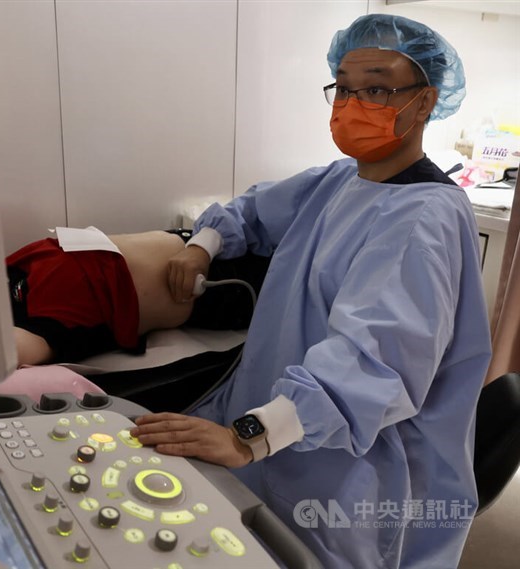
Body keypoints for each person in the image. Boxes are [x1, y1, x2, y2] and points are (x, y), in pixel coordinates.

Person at [130, 14, 491, 569]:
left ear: (424, 103)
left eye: (375, 88)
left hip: (351, 474)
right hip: (284, 427)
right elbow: (253, 210)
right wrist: (202, 243)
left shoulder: (423, 217)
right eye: (343, 88)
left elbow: (372, 366)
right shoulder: (339, 181)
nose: (351, 105)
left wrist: (248, 436)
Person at [7, 229, 266, 365]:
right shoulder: (35, 328)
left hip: (199, 241)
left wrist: (202, 244)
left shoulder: (7, 269)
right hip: (217, 289)